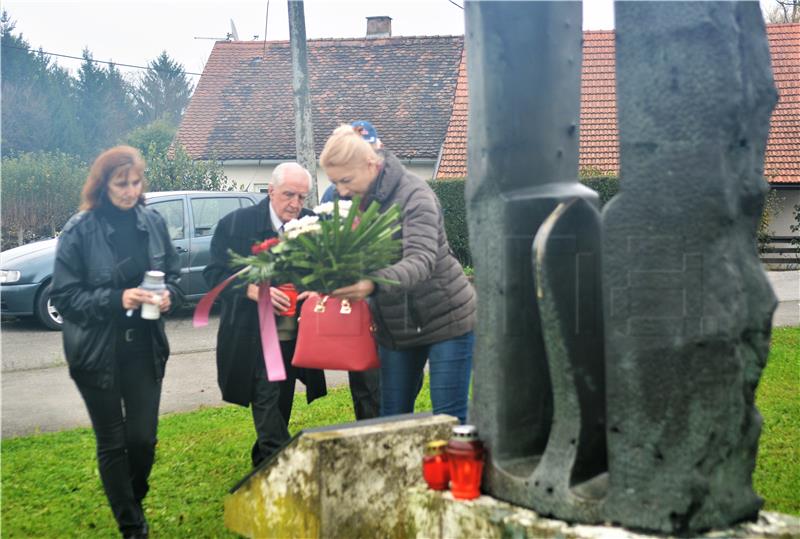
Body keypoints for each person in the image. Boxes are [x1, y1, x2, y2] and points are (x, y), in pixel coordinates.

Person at [51, 145, 181, 539]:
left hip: (144, 347)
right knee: (113, 441)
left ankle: (131, 500)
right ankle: (132, 527)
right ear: (103, 183)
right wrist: (117, 298)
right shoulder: (80, 229)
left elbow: (174, 274)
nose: (129, 190)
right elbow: (64, 298)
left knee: (142, 439)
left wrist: (170, 294)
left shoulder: (152, 221)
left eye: (136, 182)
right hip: (96, 354)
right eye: (121, 183)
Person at [320, 125, 477, 424]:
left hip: (447, 320)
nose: (340, 190)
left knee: (448, 419)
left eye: (346, 180)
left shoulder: (414, 194)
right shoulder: (352, 200)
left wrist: (371, 284)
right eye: (334, 182)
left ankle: (463, 470)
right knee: (392, 420)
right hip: (396, 328)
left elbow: (421, 260)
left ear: (371, 164)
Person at [204, 162, 327, 467]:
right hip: (252, 337)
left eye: (302, 197)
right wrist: (251, 290)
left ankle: (263, 465)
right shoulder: (236, 224)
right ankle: (287, 472)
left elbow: (328, 271)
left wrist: (318, 289)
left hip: (294, 336)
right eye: (288, 195)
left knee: (279, 406)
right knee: (267, 403)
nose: (295, 204)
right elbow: (213, 275)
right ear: (270, 191)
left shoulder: (313, 224)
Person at [319, 120, 383, 420]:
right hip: (356, 300)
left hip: (391, 296)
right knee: (364, 379)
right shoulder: (333, 197)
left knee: (398, 379)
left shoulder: (391, 190)